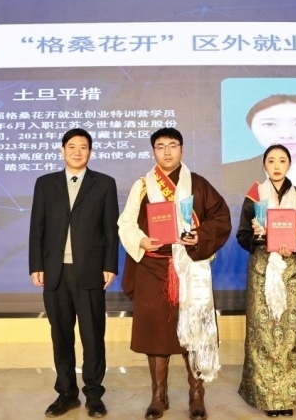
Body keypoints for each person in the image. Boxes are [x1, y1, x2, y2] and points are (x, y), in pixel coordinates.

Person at [118, 127, 232, 420]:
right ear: (153, 151)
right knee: (156, 332)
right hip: (153, 267)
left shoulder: (199, 185)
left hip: (190, 267)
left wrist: (199, 236)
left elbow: (221, 218)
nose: (167, 151)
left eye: (172, 145)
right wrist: (141, 240)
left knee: (194, 330)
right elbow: (126, 223)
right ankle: (159, 395)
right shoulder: (142, 186)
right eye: (160, 146)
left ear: (182, 149)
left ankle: (196, 394)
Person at [28, 128, 119, 419]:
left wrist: (110, 265)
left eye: (83, 147)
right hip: (55, 272)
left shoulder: (104, 183)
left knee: (93, 336)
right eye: (71, 146)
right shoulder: (45, 183)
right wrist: (36, 265)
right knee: (61, 335)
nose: (77, 151)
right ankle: (66, 393)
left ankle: (94, 395)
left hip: (90, 271)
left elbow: (110, 230)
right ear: (62, 150)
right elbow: (37, 228)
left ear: (90, 151)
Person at [236, 144, 296, 418]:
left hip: (292, 272)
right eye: (271, 160)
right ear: (264, 165)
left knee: (292, 335)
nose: (276, 165)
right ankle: (266, 398)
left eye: (282, 160)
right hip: (262, 270)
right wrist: (257, 237)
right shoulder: (253, 197)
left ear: (289, 165)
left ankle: (289, 397)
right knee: (262, 333)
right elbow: (241, 236)